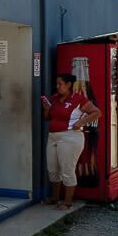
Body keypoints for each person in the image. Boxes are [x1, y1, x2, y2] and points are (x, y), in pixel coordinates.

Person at [42, 73, 102, 209]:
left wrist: (81, 122)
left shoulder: (78, 99)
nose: (57, 87)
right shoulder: (54, 98)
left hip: (70, 137)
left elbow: (97, 112)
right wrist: (46, 109)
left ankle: (68, 202)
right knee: (52, 169)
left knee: (67, 169)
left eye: (60, 84)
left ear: (68, 85)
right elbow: (47, 118)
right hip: (53, 137)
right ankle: (55, 197)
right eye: (56, 84)